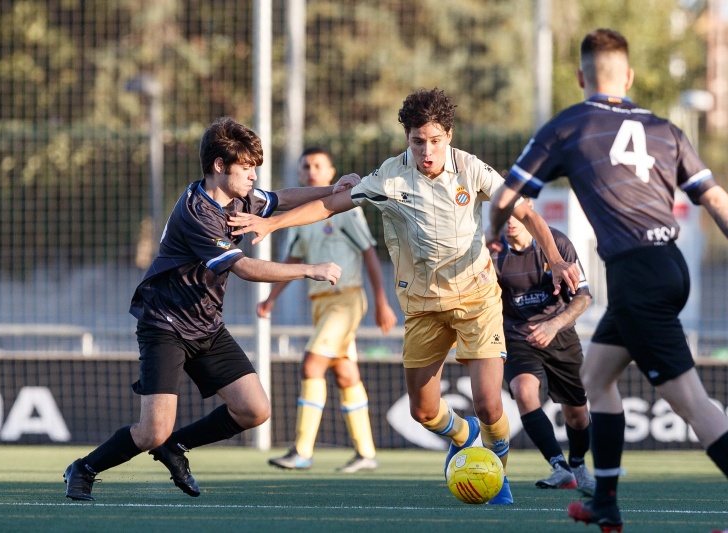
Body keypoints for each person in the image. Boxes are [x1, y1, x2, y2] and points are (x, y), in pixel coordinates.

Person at [229, 88, 581, 505]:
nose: (426, 151)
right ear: (407, 139)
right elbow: (330, 205)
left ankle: (495, 468)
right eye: (418, 141)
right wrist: (273, 225)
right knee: (425, 413)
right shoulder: (390, 178)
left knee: (490, 405)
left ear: (448, 136)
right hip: (424, 307)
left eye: (435, 141)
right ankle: (464, 434)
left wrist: (557, 260)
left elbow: (526, 212)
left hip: (478, 299)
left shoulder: (471, 169)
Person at [488, 28, 728, 532]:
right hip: (666, 266)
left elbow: (505, 199)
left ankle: (608, 502)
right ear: (630, 77)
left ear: (581, 76)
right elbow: (717, 200)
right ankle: (607, 502)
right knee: (597, 377)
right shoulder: (665, 129)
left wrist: (493, 234)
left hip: (635, 276)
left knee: (690, 401)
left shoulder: (570, 125)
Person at [63, 117, 360, 501]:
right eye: (247, 168)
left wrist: (334, 189)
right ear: (220, 166)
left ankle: (176, 448)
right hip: (165, 325)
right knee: (153, 430)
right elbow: (245, 268)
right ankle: (83, 468)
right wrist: (309, 269)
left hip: (205, 324)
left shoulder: (237, 198)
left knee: (254, 410)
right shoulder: (197, 214)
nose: (254, 176)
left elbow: (281, 198)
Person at [261, 147, 398, 473]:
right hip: (320, 306)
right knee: (345, 373)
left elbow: (369, 253)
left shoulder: (346, 209)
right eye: (305, 166)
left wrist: (381, 301)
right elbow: (292, 261)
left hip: (346, 300)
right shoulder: (301, 218)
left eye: (317, 165)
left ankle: (302, 451)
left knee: (311, 365)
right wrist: (271, 298)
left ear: (330, 171)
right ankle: (366, 453)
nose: (311, 171)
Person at [489, 198, 595, 496]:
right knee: (524, 391)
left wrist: (553, 325)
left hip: (559, 333)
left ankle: (578, 465)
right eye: (503, 211)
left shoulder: (557, 243)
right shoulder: (492, 251)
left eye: (516, 209)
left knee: (577, 413)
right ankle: (560, 467)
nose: (510, 219)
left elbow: (583, 297)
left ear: (529, 206)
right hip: (517, 336)